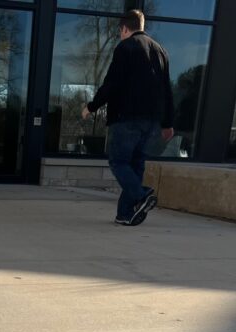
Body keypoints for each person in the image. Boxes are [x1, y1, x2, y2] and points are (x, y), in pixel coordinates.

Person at [82, 11, 174, 226]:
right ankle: (124, 213)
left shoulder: (126, 48)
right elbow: (167, 90)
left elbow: (112, 84)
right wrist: (168, 122)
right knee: (135, 166)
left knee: (118, 161)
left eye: (120, 32)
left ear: (124, 28)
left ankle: (142, 194)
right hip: (151, 121)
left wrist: (91, 107)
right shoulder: (161, 51)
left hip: (126, 118)